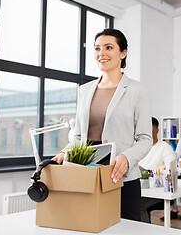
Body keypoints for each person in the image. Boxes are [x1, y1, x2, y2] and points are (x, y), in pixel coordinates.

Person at [52, 28, 152, 221]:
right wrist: (65, 153)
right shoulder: (84, 90)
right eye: (97, 48)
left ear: (123, 53)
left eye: (108, 47)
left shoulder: (137, 90)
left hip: (121, 178)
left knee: (126, 230)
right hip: (87, 177)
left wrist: (126, 157)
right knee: (89, 226)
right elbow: (80, 138)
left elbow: (145, 139)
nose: (101, 53)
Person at [139, 117, 177, 223]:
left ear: (157, 130)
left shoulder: (165, 148)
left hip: (158, 192)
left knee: (138, 204)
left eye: (150, 131)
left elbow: (171, 170)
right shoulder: (139, 148)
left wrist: (150, 172)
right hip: (141, 188)